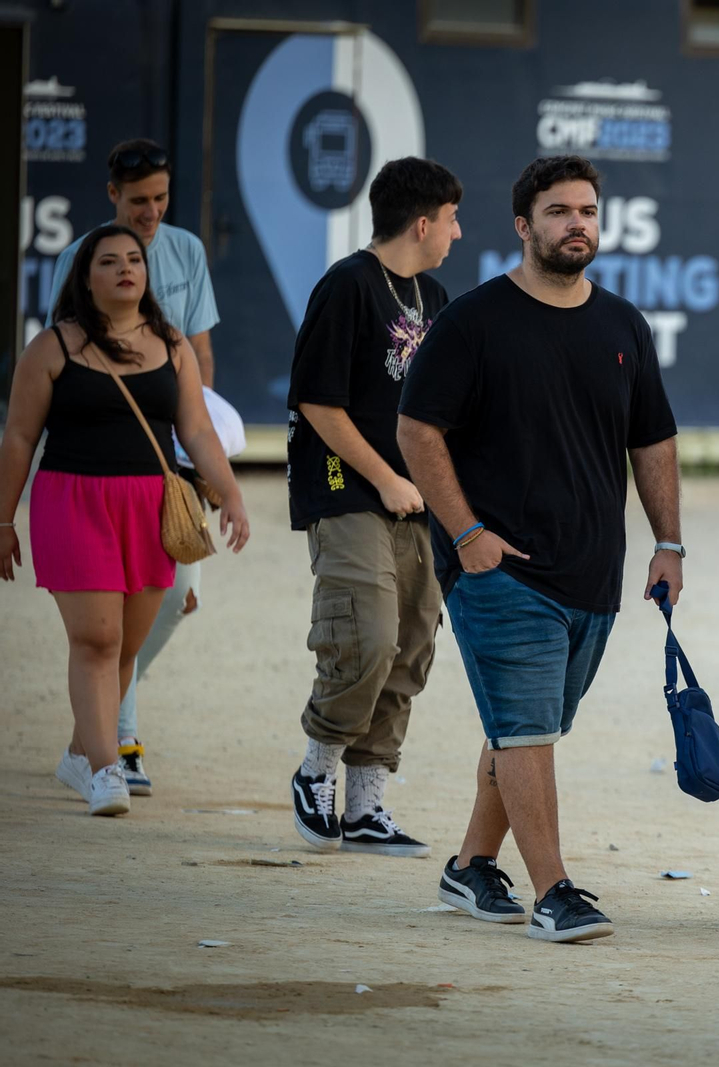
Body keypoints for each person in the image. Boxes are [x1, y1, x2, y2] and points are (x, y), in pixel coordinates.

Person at [397, 155, 682, 942]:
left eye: (586, 210)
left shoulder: (623, 324)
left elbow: (653, 441)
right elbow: (416, 431)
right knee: (526, 728)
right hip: (499, 571)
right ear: (524, 226)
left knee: (529, 726)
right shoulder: (474, 321)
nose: (576, 223)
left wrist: (669, 542)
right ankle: (554, 891)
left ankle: (470, 864)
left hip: (593, 574)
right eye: (558, 211)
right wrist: (466, 533)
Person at [0, 224, 248, 814]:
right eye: (108, 262)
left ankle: (79, 750)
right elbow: (18, 439)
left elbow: (197, 430)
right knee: (97, 639)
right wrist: (3, 521)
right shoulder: (52, 348)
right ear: (85, 278)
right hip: (72, 502)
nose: (125, 269)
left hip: (148, 508)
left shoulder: (172, 344)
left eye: (133, 259)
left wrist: (232, 494)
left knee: (125, 647)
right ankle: (106, 769)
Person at [285, 157, 462, 857]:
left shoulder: (434, 294)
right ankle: (316, 770)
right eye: (451, 219)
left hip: (418, 501)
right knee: (366, 635)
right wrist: (385, 477)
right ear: (421, 223)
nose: (456, 232)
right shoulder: (347, 286)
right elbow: (317, 402)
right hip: (346, 488)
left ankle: (365, 806)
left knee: (412, 642)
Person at [48, 138, 227, 795]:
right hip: (98, 464)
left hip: (170, 457)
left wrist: (201, 457)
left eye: (161, 198)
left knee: (176, 597)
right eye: (138, 200)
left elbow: (201, 355)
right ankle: (116, 741)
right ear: (111, 195)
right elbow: (60, 357)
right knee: (103, 623)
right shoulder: (80, 257)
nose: (151, 212)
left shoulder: (187, 251)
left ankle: (88, 740)